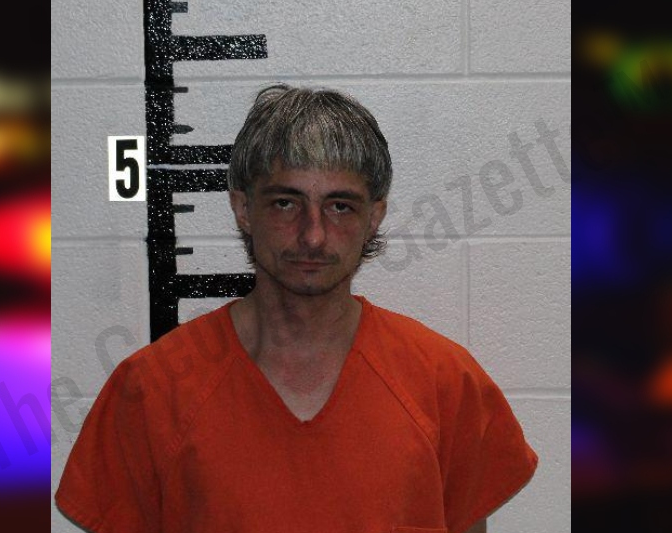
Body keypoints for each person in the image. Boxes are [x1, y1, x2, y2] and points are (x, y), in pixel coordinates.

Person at [56, 84, 537, 533]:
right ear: (243, 209)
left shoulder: (446, 385)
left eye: (340, 206)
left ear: (374, 217)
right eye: (286, 203)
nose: (313, 235)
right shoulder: (151, 389)